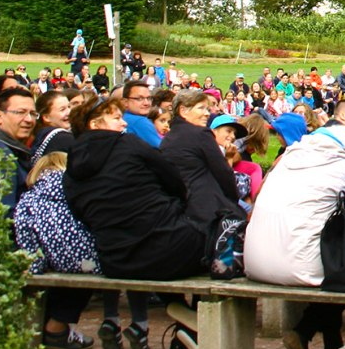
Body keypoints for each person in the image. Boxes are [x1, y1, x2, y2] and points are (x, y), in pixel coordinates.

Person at [245, 123, 345, 349]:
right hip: (296, 262)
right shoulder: (341, 165)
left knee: (331, 262)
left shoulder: (285, 160)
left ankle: (332, 345)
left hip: (254, 259)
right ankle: (302, 332)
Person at [63, 98, 207, 281]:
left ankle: (174, 303)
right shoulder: (129, 144)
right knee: (207, 235)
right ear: (94, 123)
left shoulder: (72, 168)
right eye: (116, 118)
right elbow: (173, 179)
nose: (124, 122)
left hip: (116, 261)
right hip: (173, 250)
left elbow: (80, 214)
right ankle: (189, 305)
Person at [14, 152, 101, 349]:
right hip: (90, 259)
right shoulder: (76, 192)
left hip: (54, 260)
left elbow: (25, 233)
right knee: (81, 275)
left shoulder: (29, 199)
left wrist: (34, 266)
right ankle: (57, 328)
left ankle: (53, 328)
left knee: (57, 276)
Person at [160, 89, 243, 232]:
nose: (207, 113)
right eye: (201, 108)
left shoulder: (168, 139)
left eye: (208, 108)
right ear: (183, 110)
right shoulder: (201, 134)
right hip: (207, 208)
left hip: (179, 208)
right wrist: (234, 201)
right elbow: (223, 172)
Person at [0, 88, 38, 211]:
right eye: (20, 112)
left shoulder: (10, 147)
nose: (29, 119)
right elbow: (3, 211)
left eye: (33, 114)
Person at [32, 90, 74, 162]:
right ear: (46, 117)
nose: (69, 112)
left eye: (69, 107)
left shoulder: (39, 135)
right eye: (62, 109)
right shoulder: (63, 139)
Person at [119, 80, 162, 148]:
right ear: (125, 102)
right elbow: (163, 149)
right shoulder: (139, 122)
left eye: (149, 98)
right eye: (139, 99)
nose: (146, 103)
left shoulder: (119, 119)